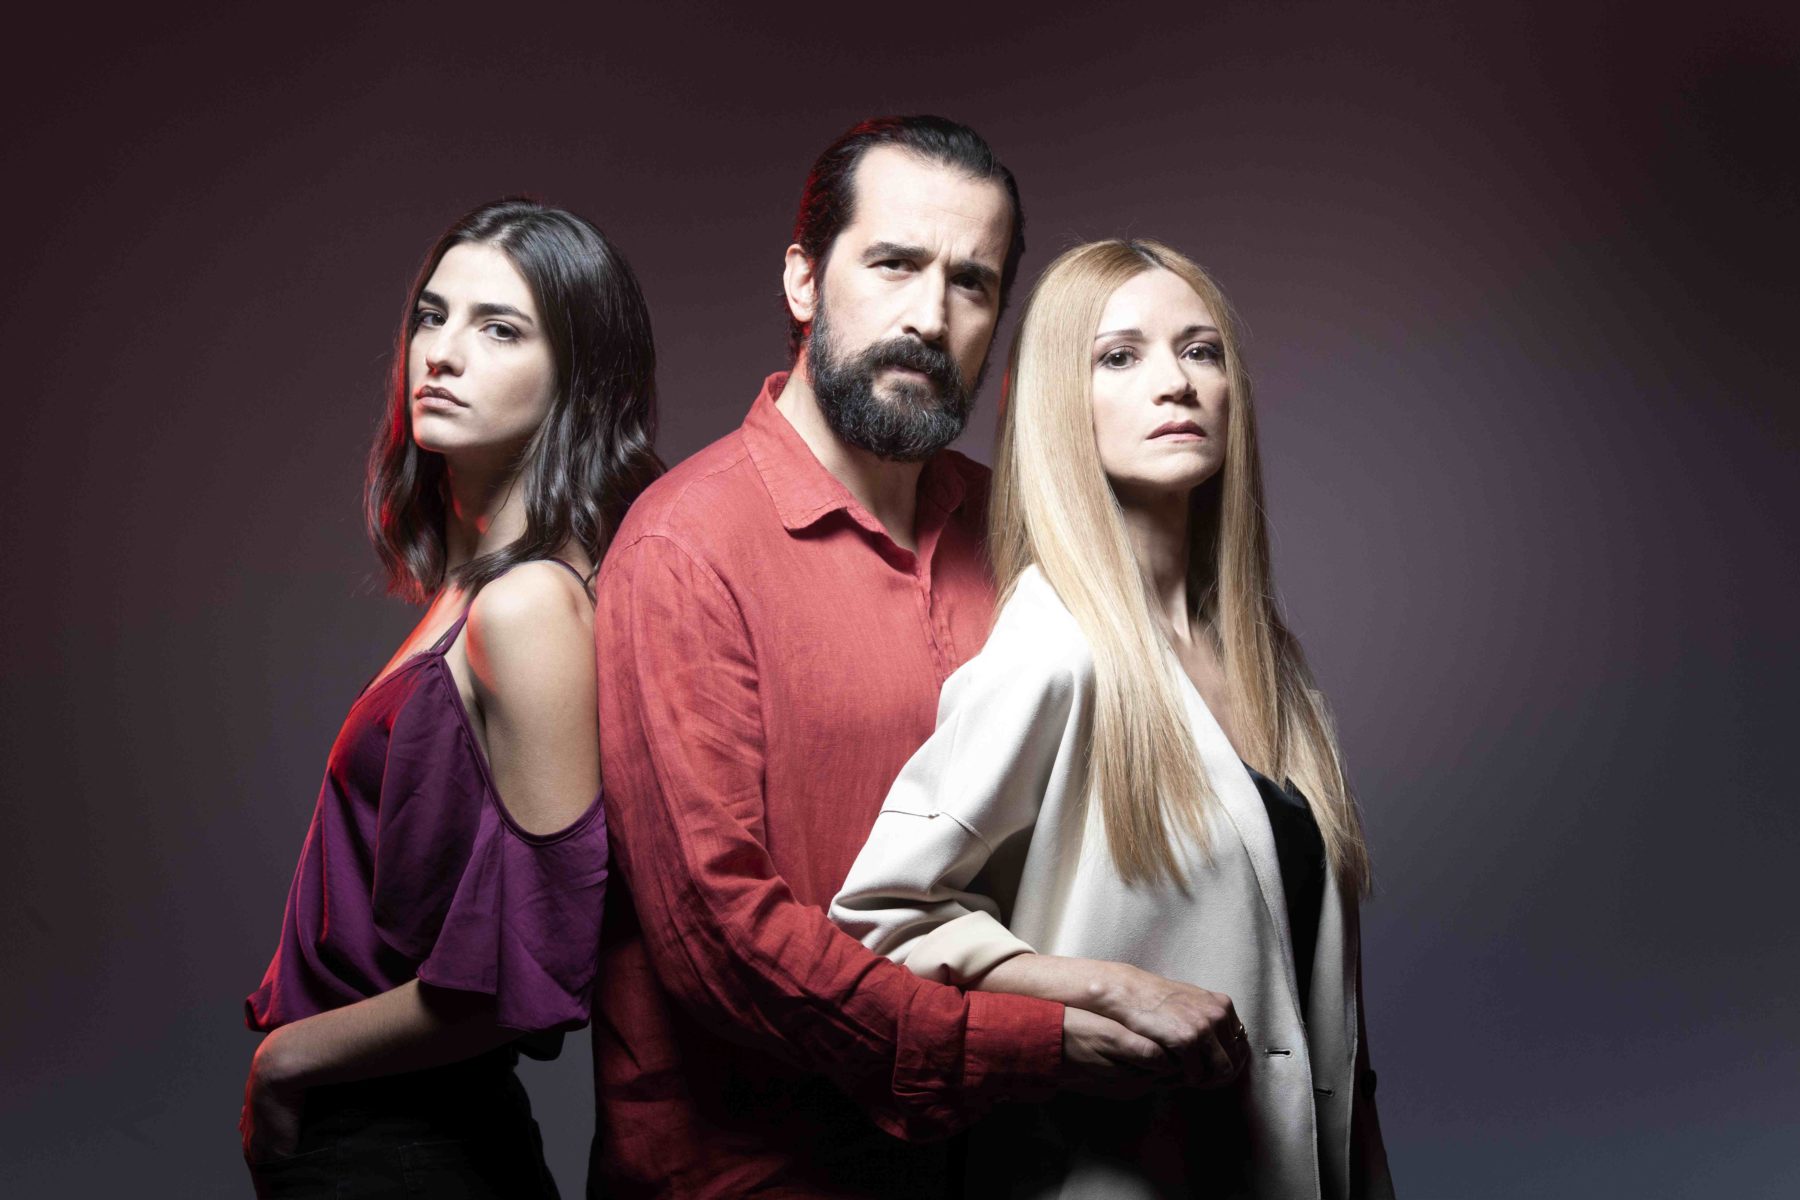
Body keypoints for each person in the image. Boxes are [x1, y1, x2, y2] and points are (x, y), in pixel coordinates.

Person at [589, 118, 1236, 1200]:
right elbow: (720, 940)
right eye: (894, 263)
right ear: (804, 280)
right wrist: (1039, 1037)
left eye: (971, 283)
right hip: (753, 1182)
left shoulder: (1032, 530)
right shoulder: (683, 548)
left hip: (1012, 1172)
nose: (929, 318)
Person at [831, 238, 1397, 1198]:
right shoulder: (1055, 649)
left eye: (1201, 351)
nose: (1176, 382)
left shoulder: (1270, 663)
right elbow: (879, 918)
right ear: (1062, 403)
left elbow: (1327, 1019)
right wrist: (1100, 990)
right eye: (1120, 357)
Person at [241, 198, 660, 1198]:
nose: (443, 352)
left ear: (580, 376)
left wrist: (289, 1058)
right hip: (373, 1132)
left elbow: (537, 965)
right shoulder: (472, 590)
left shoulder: (528, 607)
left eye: (500, 329)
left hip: (415, 1141)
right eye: (432, 316)